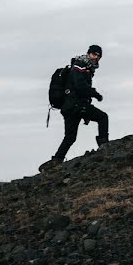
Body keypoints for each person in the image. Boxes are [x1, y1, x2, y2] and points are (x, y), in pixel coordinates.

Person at [39, 44, 108, 172]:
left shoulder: (83, 66)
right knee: (103, 117)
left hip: (69, 107)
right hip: (76, 105)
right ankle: (105, 147)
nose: (96, 57)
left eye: (99, 56)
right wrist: (95, 94)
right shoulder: (80, 66)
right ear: (88, 53)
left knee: (70, 137)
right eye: (94, 54)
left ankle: (56, 161)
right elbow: (80, 86)